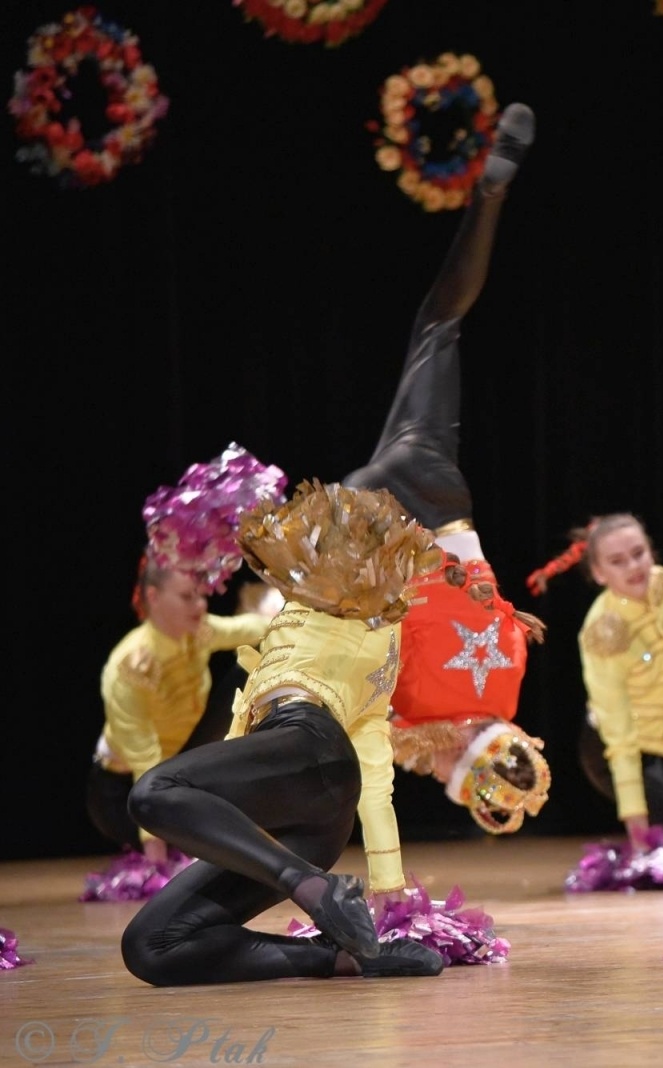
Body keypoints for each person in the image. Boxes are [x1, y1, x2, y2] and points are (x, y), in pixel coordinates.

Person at [121, 479, 449, 985]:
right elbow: (372, 762)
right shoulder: (308, 601)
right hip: (309, 809)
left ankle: (312, 888)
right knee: (151, 946)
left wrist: (389, 880)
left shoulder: (360, 607)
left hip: (311, 748)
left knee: (153, 793)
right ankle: (346, 958)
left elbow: (372, 754)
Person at [341, 102, 550, 836]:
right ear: (461, 754)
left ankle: (489, 198)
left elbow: (495, 618)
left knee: (440, 323)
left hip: (442, 497)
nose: (432, 774)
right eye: (444, 775)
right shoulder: (415, 716)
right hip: (379, 525)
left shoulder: (509, 691)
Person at [89, 446, 289, 865]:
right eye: (186, 597)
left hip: (177, 768)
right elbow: (144, 760)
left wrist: (296, 615)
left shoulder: (199, 632)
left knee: (249, 661)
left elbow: (250, 628)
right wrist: (156, 848)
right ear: (153, 596)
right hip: (122, 794)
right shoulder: (131, 664)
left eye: (201, 595)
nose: (200, 605)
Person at [525, 513, 663, 866]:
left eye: (638, 553)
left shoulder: (662, 583)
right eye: (617, 561)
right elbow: (619, 735)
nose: (633, 566)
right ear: (599, 573)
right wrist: (636, 822)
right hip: (616, 746)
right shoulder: (604, 631)